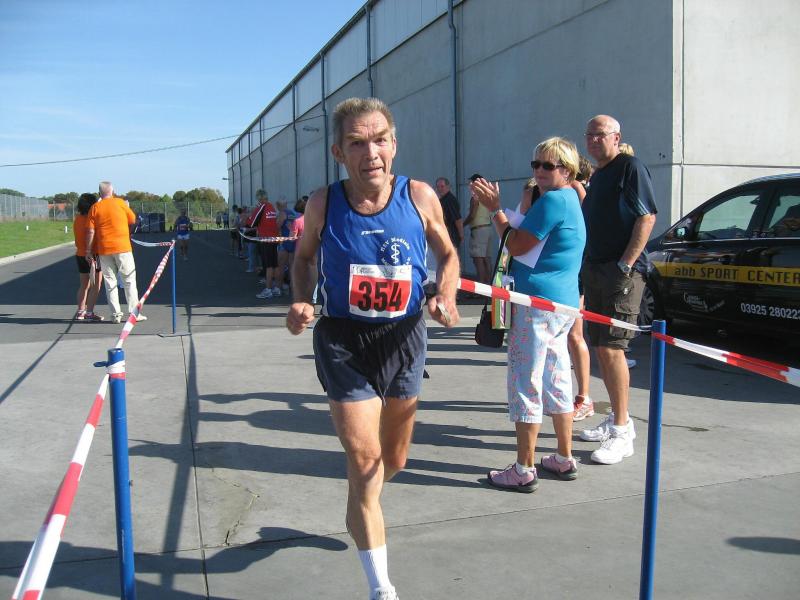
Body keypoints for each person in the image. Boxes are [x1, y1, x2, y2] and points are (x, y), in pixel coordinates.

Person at [286, 97, 459, 600]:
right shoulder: (324, 203)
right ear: (339, 153)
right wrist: (300, 300)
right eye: (358, 143)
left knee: (392, 460)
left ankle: (361, 505)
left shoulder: (419, 196)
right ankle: (381, 586)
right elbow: (303, 259)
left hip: (404, 337)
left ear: (394, 145)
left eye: (380, 140)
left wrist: (446, 293)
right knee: (365, 460)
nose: (371, 153)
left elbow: (448, 253)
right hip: (343, 339)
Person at [471, 137, 586, 491]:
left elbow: (517, 245)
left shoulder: (553, 200)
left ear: (566, 170)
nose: (539, 171)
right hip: (560, 303)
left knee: (526, 381)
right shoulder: (570, 198)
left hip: (536, 303)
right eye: (536, 164)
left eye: (548, 165)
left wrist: (495, 210)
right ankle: (564, 456)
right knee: (557, 378)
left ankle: (524, 467)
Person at [579, 115, 657, 464]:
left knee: (612, 348)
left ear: (616, 137)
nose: (593, 140)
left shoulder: (630, 167)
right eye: (589, 135)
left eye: (600, 135)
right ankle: (616, 418)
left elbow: (647, 217)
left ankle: (623, 431)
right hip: (596, 270)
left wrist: (625, 264)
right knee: (601, 347)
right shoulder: (599, 175)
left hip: (621, 274)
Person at [85, 181, 146, 324]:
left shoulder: (95, 208)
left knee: (109, 282)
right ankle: (133, 313)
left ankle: (115, 314)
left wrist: (88, 250)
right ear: (112, 191)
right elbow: (132, 220)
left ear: (99, 193)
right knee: (129, 280)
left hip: (104, 249)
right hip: (123, 247)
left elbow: (90, 231)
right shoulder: (120, 203)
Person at [73, 193, 104, 322]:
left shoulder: (77, 219)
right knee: (96, 285)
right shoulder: (92, 220)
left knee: (84, 285)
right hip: (93, 254)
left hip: (80, 254)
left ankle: (81, 311)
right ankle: (89, 312)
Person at [249, 191, 280, 299]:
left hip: (266, 240)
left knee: (268, 266)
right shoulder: (271, 207)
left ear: (259, 198)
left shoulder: (261, 207)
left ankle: (268, 289)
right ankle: (276, 288)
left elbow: (252, 222)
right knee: (275, 265)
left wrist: (253, 211)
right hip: (274, 239)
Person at [463, 173, 492, 283]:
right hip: (488, 228)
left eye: (471, 183)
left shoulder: (475, 197)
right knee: (487, 259)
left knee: (478, 260)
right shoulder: (487, 196)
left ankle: (481, 286)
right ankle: (490, 285)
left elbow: (472, 215)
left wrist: (462, 224)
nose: (470, 185)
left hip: (478, 230)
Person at [434, 177, 463, 250]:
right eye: (438, 187)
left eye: (442, 186)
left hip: (451, 237)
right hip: (444, 236)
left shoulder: (450, 200)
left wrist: (461, 234)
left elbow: (457, 219)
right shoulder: (442, 200)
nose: (440, 189)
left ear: (448, 187)